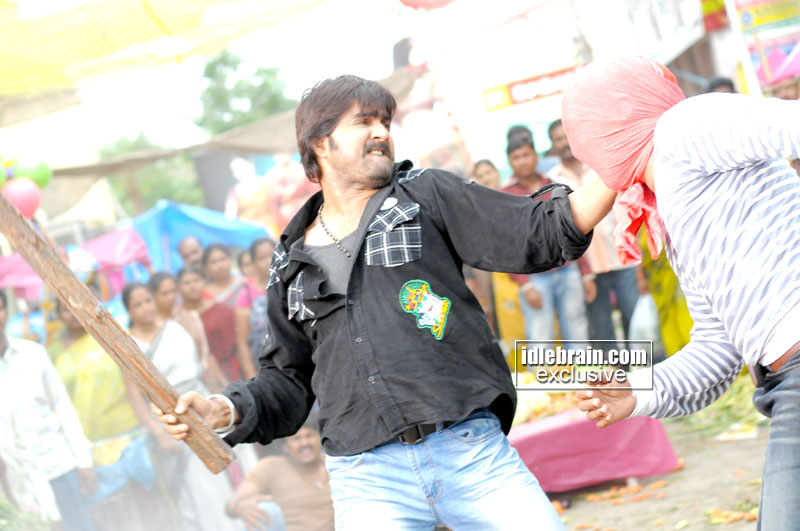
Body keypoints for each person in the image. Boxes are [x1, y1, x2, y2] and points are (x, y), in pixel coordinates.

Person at [153, 74, 615, 530]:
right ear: (320, 143)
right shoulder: (289, 261)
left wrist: (623, 160)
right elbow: (287, 381)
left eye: (385, 122)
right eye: (364, 122)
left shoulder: (424, 196)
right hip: (367, 479)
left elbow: (538, 229)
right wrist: (224, 409)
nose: (381, 132)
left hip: (469, 451)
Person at [561, 56, 800, 531]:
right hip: (782, 383)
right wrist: (636, 393)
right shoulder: (672, 205)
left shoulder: (684, 126)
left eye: (585, 129)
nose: (586, 152)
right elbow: (717, 351)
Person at [122, 282, 239, 531]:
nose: (145, 308)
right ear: (128, 311)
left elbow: (201, 366)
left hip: (200, 408)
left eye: (148, 300)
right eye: (137, 304)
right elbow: (134, 396)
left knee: (215, 478)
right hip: (168, 421)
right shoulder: (128, 344)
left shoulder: (175, 328)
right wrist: (159, 433)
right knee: (187, 487)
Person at [0, 291, 97, 531]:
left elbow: (64, 409)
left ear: (5, 312)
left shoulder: (33, 354)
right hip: (19, 485)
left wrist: (84, 462)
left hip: (61, 468)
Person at [547, 118, 640, 349]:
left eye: (566, 137)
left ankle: (643, 367)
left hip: (621, 256)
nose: (564, 143)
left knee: (634, 318)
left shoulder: (599, 166)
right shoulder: (551, 180)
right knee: (601, 329)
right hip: (588, 268)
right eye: (558, 139)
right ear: (553, 145)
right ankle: (614, 370)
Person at [502, 135, 591, 343]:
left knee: (577, 331)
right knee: (541, 337)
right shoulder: (506, 194)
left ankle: (580, 367)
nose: (522, 161)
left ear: (535, 155)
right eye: (516, 157)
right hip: (535, 278)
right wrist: (525, 284)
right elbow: (506, 243)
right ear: (510, 162)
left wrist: (586, 273)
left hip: (568, 270)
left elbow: (571, 228)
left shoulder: (552, 186)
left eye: (526, 155)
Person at [225, 417, 334, 531]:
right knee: (265, 508)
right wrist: (240, 507)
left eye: (309, 436)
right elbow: (232, 504)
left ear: (320, 439)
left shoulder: (335, 465)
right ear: (285, 447)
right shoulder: (271, 467)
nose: (304, 443)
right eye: (296, 439)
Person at [149, 272, 227, 393]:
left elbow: (206, 354)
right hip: (171, 389)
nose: (171, 297)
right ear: (154, 296)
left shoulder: (189, 317)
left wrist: (222, 382)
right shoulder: (152, 327)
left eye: (173, 291)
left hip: (201, 384)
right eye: (165, 294)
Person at [179, 265, 255, 381]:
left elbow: (238, 345)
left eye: (196, 280)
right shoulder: (177, 318)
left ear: (204, 282)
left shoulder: (223, 312)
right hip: (193, 377)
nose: (193, 286)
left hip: (229, 373)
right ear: (178, 287)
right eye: (186, 283)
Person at [235, 238, 276, 369]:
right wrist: (250, 372)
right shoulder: (246, 295)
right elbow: (242, 341)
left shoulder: (290, 285)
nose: (268, 261)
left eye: (272, 254)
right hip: (266, 366)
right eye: (262, 258)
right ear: (253, 263)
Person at [203, 243, 246, 308]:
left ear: (230, 259)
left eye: (223, 259)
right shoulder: (204, 296)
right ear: (206, 268)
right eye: (214, 262)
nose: (220, 265)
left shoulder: (243, 284)